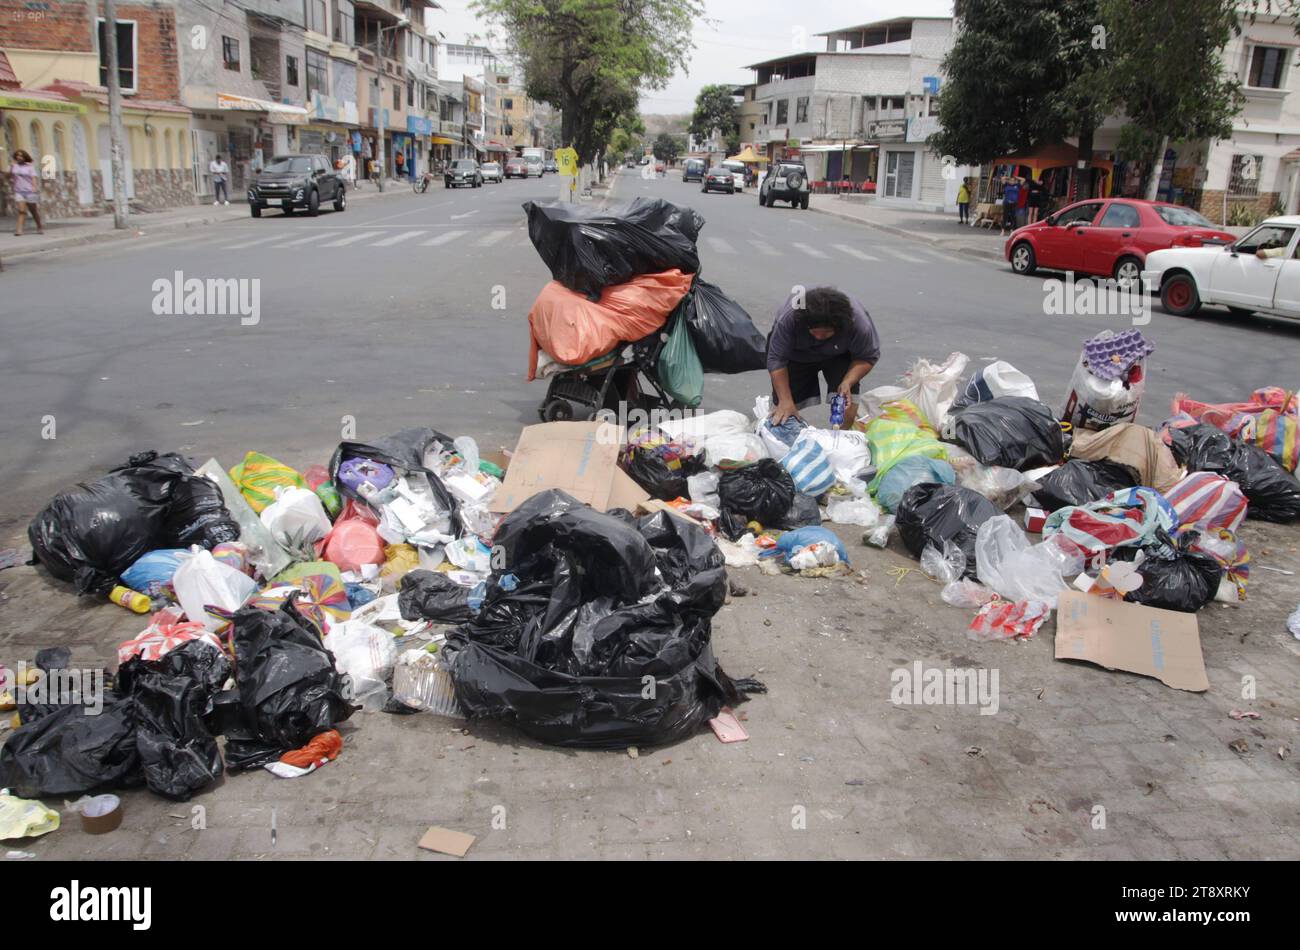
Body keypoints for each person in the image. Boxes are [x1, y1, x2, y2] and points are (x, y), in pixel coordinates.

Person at [767, 286, 880, 428]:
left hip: (840, 354)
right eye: (814, 332)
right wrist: (785, 400)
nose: (820, 337)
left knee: (846, 405)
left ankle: (841, 439)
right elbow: (776, 360)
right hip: (796, 354)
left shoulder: (858, 323)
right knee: (783, 410)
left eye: (827, 333)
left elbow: (867, 357)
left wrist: (848, 382)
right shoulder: (790, 318)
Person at [9, 149, 44, 235]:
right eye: (17, 155)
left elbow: (34, 178)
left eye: (21, 155)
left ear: (25, 157)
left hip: (29, 191)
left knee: (33, 211)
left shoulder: (30, 167)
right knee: (21, 211)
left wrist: (34, 188)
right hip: (19, 191)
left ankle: (39, 226)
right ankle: (19, 230)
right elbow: (9, 175)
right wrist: (11, 167)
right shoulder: (14, 166)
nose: (19, 157)